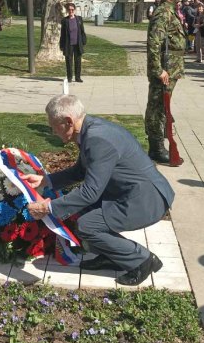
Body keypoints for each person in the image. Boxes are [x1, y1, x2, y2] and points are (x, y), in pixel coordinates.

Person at [23, 94, 175, 286]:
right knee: (81, 211)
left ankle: (142, 260)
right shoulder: (89, 130)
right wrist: (45, 180)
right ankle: (112, 256)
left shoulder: (97, 139)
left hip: (145, 200)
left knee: (88, 225)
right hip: (130, 192)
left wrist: (48, 208)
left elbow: (90, 192)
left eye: (54, 126)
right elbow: (81, 171)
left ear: (68, 122)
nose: (53, 132)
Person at [144, 0, 186, 165]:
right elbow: (154, 44)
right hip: (165, 70)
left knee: (163, 108)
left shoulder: (171, 11)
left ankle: (159, 145)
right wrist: (158, 70)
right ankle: (156, 148)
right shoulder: (163, 13)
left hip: (172, 68)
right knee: (157, 109)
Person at [59, 2, 87, 83]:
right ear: (67, 10)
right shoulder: (64, 20)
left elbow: (82, 31)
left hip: (77, 44)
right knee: (69, 61)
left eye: (72, 9)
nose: (71, 11)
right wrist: (61, 45)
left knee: (78, 61)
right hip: (68, 44)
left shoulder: (79, 19)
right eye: (69, 9)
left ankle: (78, 77)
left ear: (74, 10)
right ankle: (69, 77)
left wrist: (84, 41)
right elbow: (63, 34)